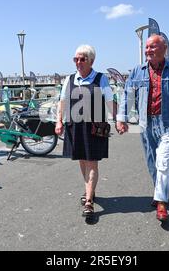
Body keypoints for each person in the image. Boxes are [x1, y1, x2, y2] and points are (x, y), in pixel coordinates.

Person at [116, 35, 169, 223]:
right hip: (146, 123)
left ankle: (161, 201)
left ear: (164, 49)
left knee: (163, 161)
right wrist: (122, 118)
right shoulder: (137, 71)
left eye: (152, 47)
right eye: (146, 47)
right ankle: (161, 191)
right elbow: (127, 96)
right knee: (152, 161)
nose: (148, 50)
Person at [55, 45, 117, 219]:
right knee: (82, 160)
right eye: (76, 59)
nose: (78, 62)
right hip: (75, 126)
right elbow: (62, 101)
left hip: (94, 127)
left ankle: (89, 200)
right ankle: (90, 190)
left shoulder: (100, 78)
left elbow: (111, 100)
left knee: (92, 162)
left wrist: (119, 119)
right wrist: (58, 121)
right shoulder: (69, 79)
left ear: (91, 61)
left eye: (82, 59)